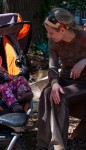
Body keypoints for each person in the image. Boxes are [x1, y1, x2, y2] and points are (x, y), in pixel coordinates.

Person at [36, 8, 86, 150]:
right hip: (65, 78)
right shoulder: (53, 42)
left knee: (60, 96)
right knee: (47, 92)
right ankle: (42, 144)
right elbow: (52, 66)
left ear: (62, 29)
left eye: (51, 32)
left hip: (83, 82)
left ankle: (58, 145)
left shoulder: (83, 37)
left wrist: (84, 61)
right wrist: (55, 83)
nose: (49, 36)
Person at [0, 49, 33, 113]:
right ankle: (14, 105)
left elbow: (8, 79)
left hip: (5, 86)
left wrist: (6, 75)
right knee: (3, 87)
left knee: (21, 78)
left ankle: (21, 94)